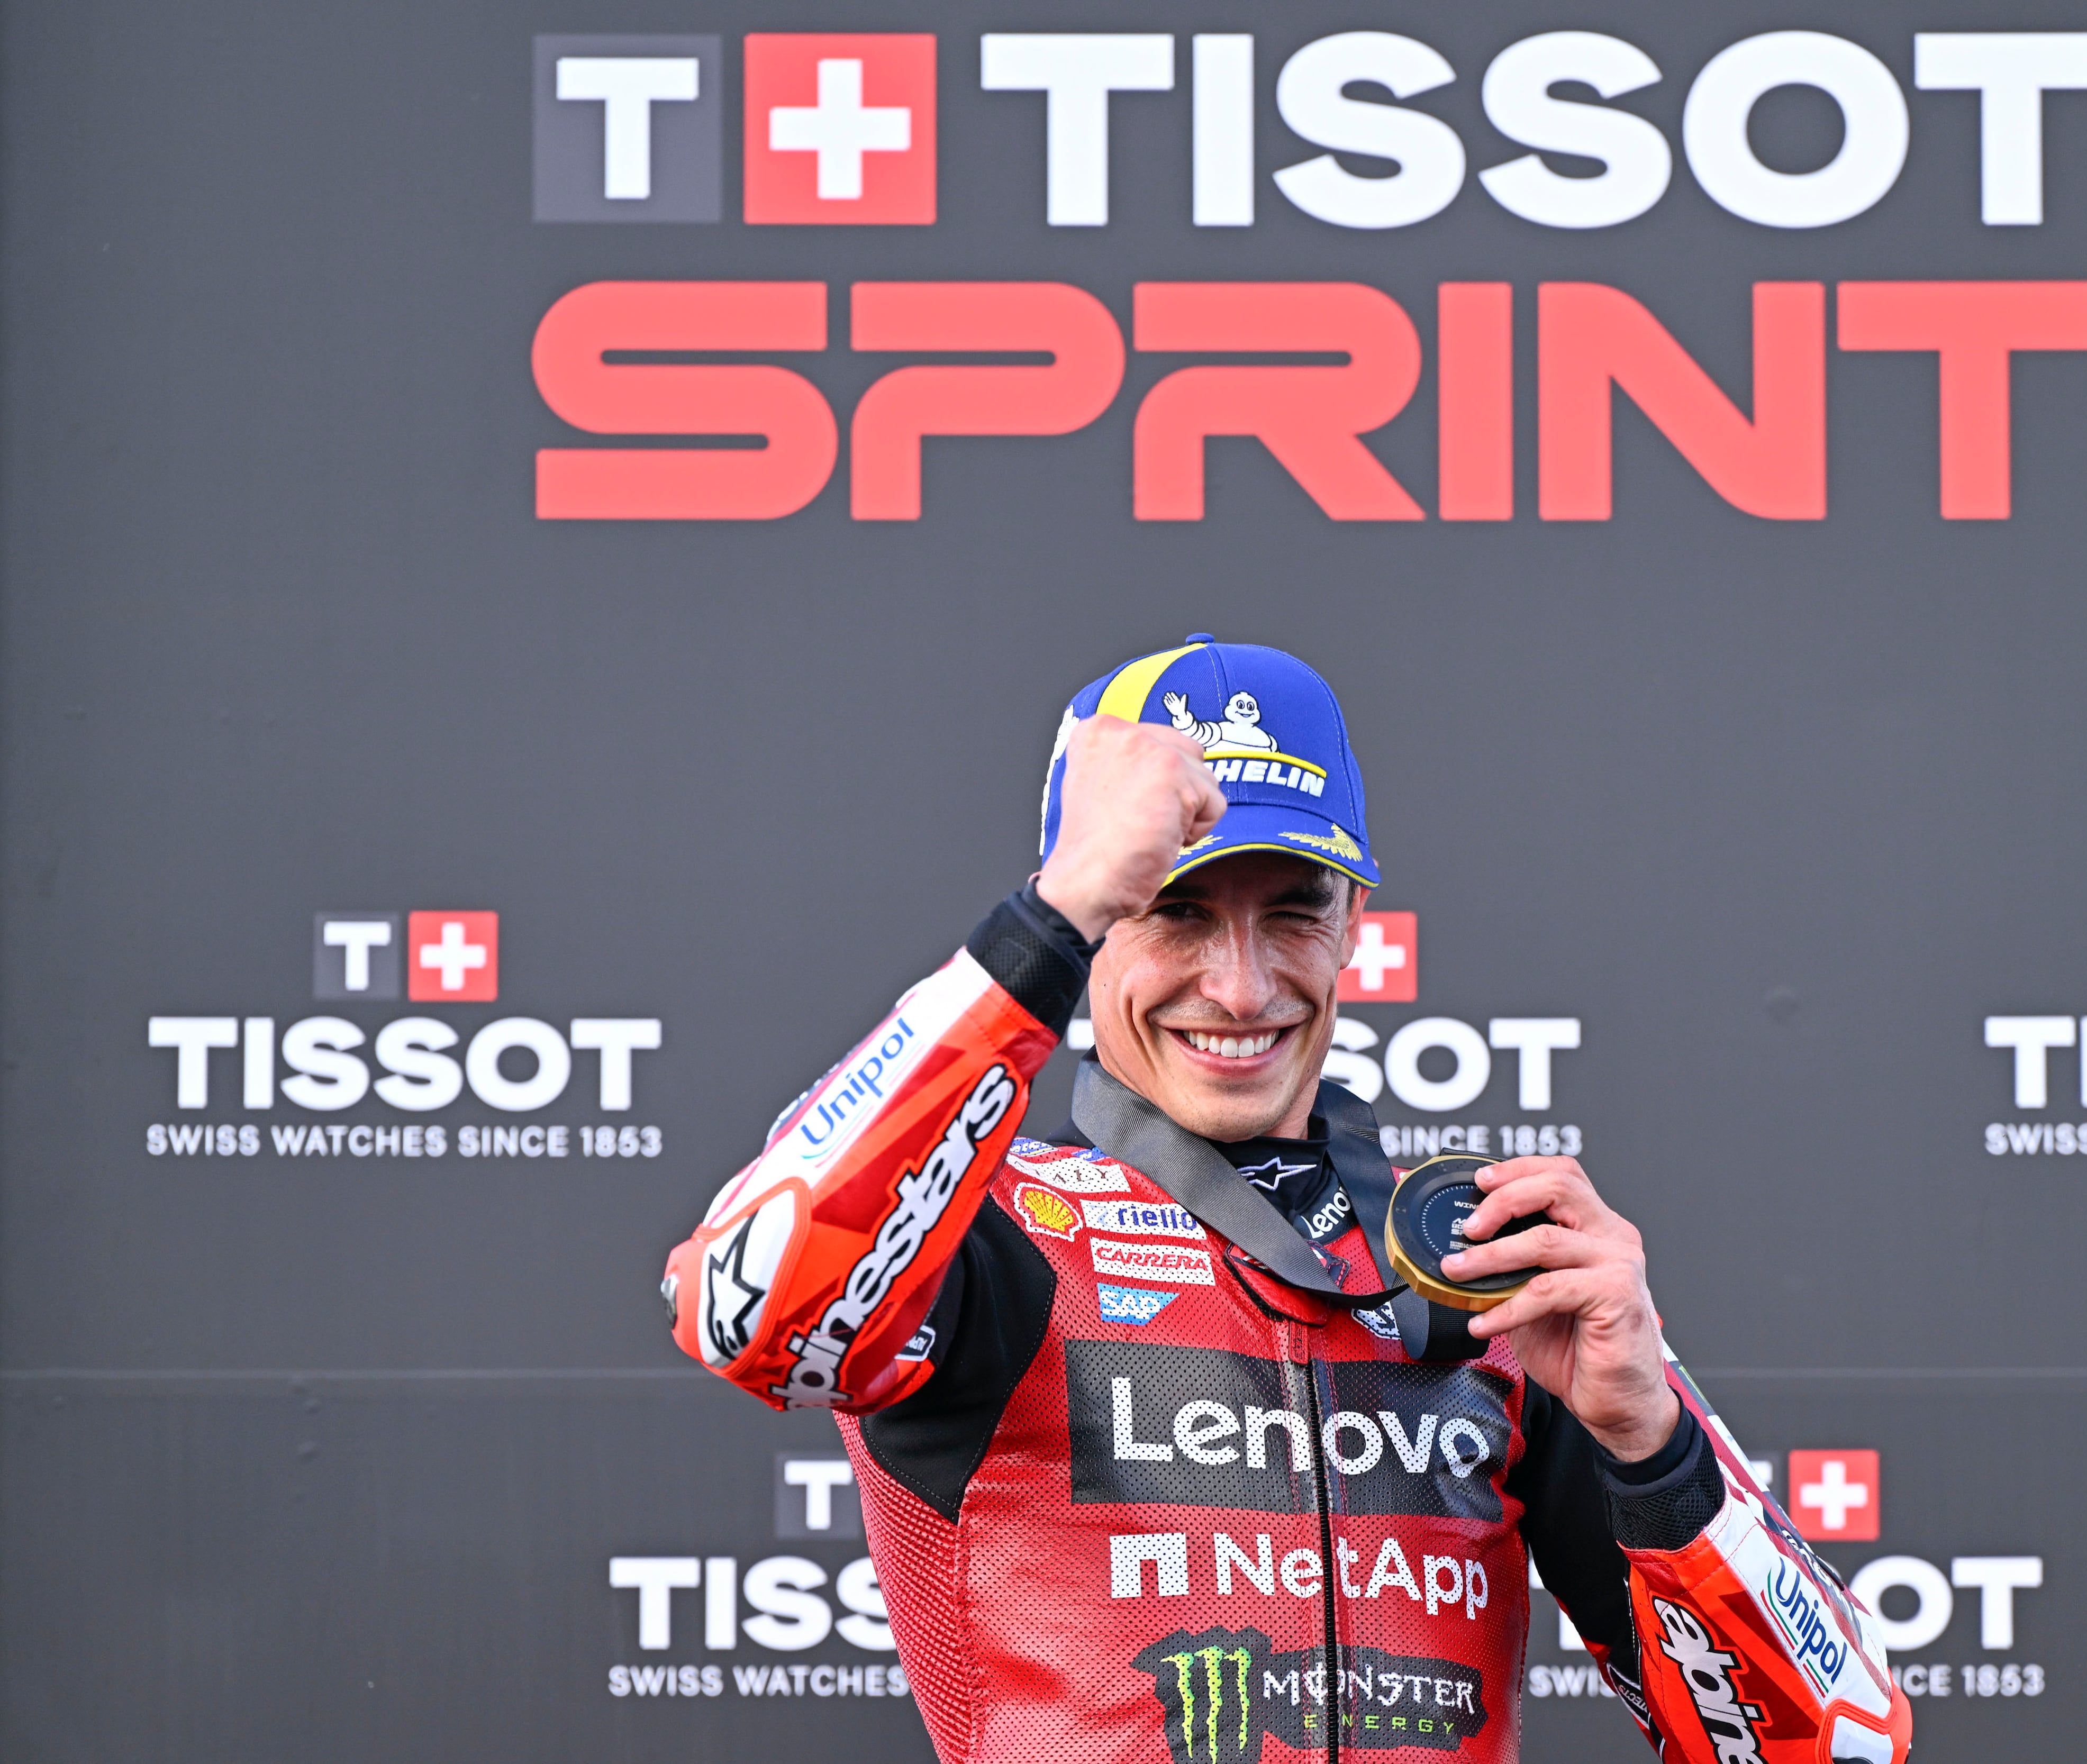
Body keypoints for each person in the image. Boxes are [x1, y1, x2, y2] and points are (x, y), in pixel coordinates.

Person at [663, 638, 1909, 1764]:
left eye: (1294, 910)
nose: (1243, 983)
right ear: (1093, 925)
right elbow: (748, 1310)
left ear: (1358, 916)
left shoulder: (1482, 1256)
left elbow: (1835, 1747)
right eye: (1175, 910)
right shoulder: (992, 1237)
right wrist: (1045, 920)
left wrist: (1655, 1443)